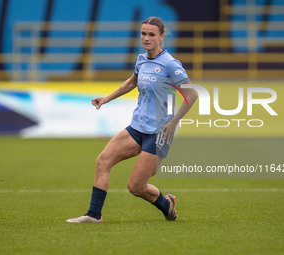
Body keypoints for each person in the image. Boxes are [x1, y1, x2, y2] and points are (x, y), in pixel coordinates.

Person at [66, 17, 198, 223]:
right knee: (103, 160)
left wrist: (174, 123)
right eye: (143, 33)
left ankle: (166, 203)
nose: (146, 38)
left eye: (151, 34)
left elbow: (192, 95)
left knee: (135, 187)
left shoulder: (170, 64)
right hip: (137, 127)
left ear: (162, 37)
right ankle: (94, 215)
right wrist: (107, 98)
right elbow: (132, 82)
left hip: (159, 133)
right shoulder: (141, 60)